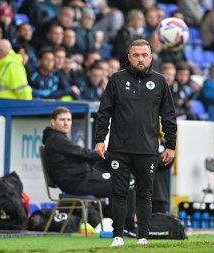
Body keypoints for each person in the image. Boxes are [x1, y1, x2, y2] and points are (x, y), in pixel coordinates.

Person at [94, 39, 177, 246]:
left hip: (148, 149)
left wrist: (170, 145)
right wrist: (99, 140)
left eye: (144, 55)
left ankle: (143, 237)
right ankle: (118, 236)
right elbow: (104, 112)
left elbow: (168, 116)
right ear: (129, 57)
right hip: (119, 148)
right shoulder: (116, 79)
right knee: (119, 193)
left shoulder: (159, 82)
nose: (140, 59)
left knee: (144, 194)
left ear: (151, 57)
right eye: (136, 55)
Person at [42, 106, 135, 229]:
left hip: (81, 179)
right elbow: (82, 153)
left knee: (125, 180)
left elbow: (80, 156)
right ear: (53, 122)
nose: (66, 123)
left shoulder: (56, 138)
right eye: (62, 119)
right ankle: (128, 227)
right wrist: (107, 154)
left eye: (69, 120)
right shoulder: (56, 139)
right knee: (126, 186)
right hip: (77, 183)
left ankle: (120, 225)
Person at [0, 39, 32, 111]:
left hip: (8, 113)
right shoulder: (3, 66)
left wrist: (26, 112)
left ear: (1, 51)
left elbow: (23, 91)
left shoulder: (12, 66)